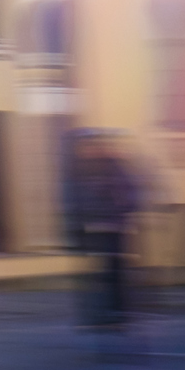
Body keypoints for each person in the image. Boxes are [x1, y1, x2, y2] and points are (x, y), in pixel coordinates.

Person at [65, 129, 142, 333]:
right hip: (88, 230)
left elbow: (131, 193)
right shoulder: (78, 169)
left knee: (113, 273)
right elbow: (74, 198)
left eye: (90, 145)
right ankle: (95, 315)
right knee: (93, 275)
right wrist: (75, 222)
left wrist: (118, 209)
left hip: (112, 228)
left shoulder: (113, 167)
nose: (87, 149)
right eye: (83, 146)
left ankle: (117, 313)